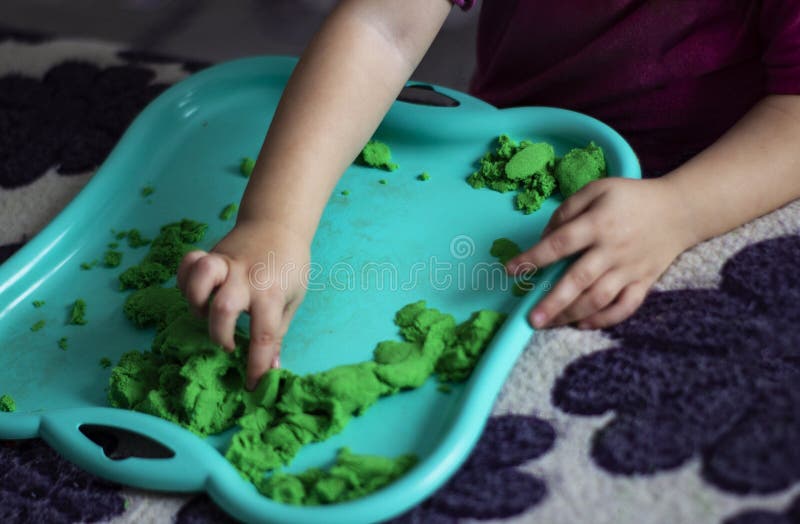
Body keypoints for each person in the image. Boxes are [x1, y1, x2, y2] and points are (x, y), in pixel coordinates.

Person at [176, 0, 800, 390]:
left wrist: (682, 210)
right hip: (508, 158)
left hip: (715, 186)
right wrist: (276, 221)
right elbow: (382, 24)